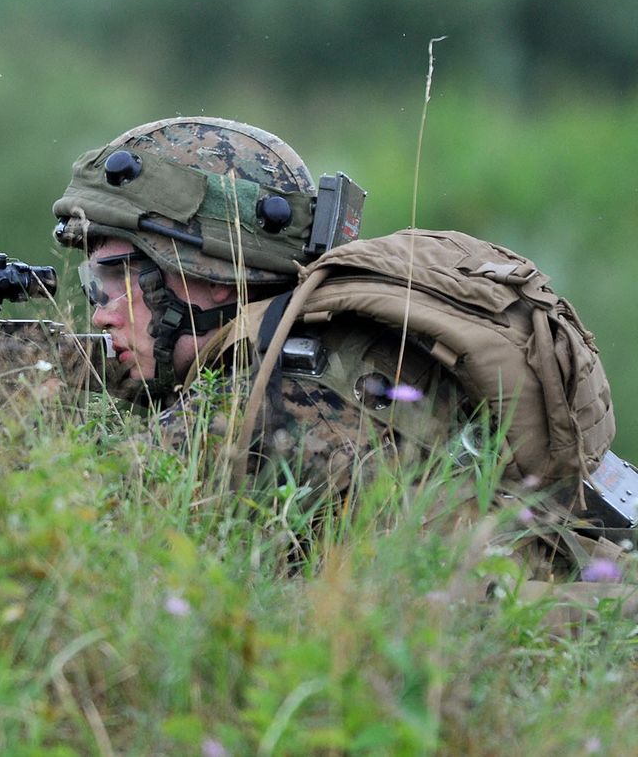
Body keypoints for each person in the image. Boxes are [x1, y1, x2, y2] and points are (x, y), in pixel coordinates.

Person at [52, 116, 637, 625]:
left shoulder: (259, 406)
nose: (101, 312)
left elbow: (75, 553)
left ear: (204, 270)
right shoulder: (345, 354)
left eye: (116, 277)